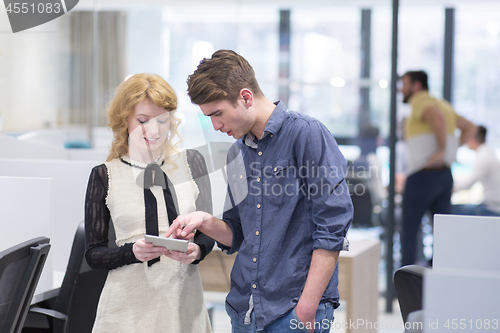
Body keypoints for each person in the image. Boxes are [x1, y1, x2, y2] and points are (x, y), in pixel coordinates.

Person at [165, 50, 353, 333]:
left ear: (246, 97)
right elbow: (238, 233)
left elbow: (332, 228)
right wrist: (204, 220)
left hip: (293, 310)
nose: (215, 126)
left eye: (218, 114)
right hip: (244, 310)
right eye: (209, 118)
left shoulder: (307, 134)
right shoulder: (237, 154)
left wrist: (307, 306)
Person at [84, 73, 215, 333]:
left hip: (184, 305)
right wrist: (131, 252)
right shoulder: (105, 175)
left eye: (162, 120)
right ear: (125, 120)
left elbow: (208, 233)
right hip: (126, 310)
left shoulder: (193, 164)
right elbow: (93, 254)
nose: (153, 130)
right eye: (143, 121)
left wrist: (196, 251)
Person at [400, 70, 476, 266]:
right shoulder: (444, 104)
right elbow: (470, 127)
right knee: (442, 236)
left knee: (409, 233)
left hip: (422, 177)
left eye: (405, 84)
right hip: (444, 176)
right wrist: (451, 150)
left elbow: (436, 118)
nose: (402, 89)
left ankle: (404, 290)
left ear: (417, 86)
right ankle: (439, 283)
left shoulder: (420, 101)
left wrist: (442, 150)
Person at [452, 125, 500, 216]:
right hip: (492, 205)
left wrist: (447, 188)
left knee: (452, 210)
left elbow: (467, 184)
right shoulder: (487, 152)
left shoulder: (483, 157)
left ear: (472, 139)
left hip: (493, 208)